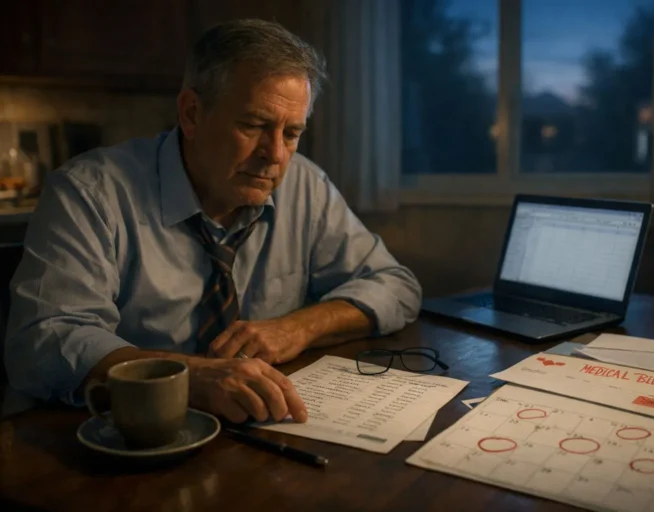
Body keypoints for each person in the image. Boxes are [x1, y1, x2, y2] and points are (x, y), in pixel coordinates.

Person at [4, 19, 422, 425]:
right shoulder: (89, 193)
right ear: (191, 114)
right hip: (109, 438)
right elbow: (44, 339)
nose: (275, 155)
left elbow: (396, 285)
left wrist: (298, 327)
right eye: (254, 125)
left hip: (251, 437)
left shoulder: (305, 186)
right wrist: (192, 377)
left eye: (291, 133)